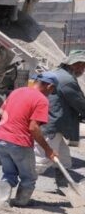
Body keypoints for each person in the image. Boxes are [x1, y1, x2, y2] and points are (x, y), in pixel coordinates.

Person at [0, 72, 58, 208]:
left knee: (9, 173)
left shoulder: (17, 92)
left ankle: (2, 201)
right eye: (52, 91)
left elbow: (0, 113)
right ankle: (20, 202)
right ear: (50, 86)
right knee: (29, 177)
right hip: (20, 142)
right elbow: (33, 128)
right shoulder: (42, 100)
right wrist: (48, 149)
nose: (51, 94)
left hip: (0, 140)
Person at [34, 51, 85, 185]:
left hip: (54, 124)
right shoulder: (67, 80)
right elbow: (80, 103)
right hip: (52, 126)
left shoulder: (58, 73)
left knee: (64, 159)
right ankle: (20, 189)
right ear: (73, 64)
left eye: (84, 66)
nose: (82, 69)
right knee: (41, 161)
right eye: (80, 65)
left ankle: (64, 188)